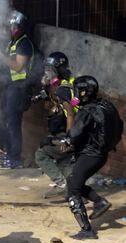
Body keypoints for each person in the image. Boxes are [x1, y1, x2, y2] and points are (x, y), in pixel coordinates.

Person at [56, 76, 123, 240]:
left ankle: (87, 230)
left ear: (85, 92)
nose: (76, 96)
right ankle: (99, 202)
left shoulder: (87, 111)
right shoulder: (107, 106)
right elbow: (119, 126)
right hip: (101, 154)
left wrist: (67, 140)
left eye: (78, 92)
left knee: (73, 190)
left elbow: (75, 133)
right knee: (73, 182)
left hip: (89, 154)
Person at [0, 10, 34, 169]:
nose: (9, 29)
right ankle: (11, 154)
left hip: (19, 89)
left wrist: (1, 56)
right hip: (9, 88)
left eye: (12, 25)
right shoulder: (13, 44)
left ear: (18, 27)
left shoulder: (24, 44)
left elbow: (17, 66)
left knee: (13, 125)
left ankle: (15, 159)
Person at [34, 52, 79, 198]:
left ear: (59, 70)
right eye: (47, 69)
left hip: (69, 131)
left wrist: (68, 138)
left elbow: (70, 114)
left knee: (41, 154)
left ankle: (62, 185)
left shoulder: (65, 87)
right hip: (65, 130)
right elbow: (51, 108)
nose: (48, 72)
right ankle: (75, 193)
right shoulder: (57, 86)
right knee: (63, 162)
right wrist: (46, 89)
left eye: (51, 69)